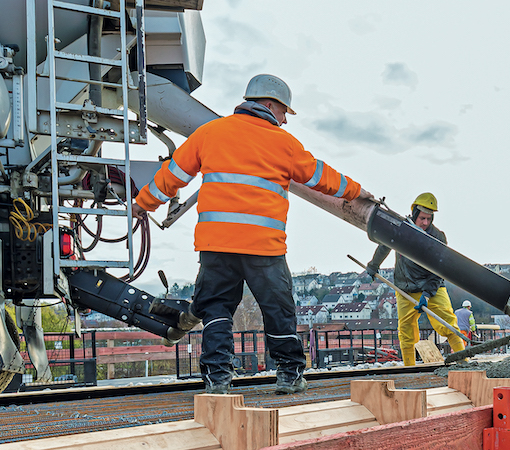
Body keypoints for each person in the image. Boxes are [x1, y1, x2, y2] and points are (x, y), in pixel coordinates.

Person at [134, 74, 373, 395]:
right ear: (270, 104)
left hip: (216, 245)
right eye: (285, 111)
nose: (286, 119)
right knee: (278, 310)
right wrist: (358, 192)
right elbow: (322, 177)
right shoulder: (283, 144)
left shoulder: (210, 134)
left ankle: (217, 378)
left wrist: (142, 204)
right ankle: (289, 374)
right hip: (264, 246)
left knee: (216, 309)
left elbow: (173, 174)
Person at [366, 193, 466, 366]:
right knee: (406, 332)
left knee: (449, 325)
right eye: (422, 218)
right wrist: (374, 264)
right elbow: (385, 245)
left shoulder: (438, 237)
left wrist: (427, 294)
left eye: (429, 219)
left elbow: (440, 270)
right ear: (414, 214)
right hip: (405, 289)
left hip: (433, 288)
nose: (425, 223)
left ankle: (464, 361)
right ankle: (409, 368)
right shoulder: (400, 229)